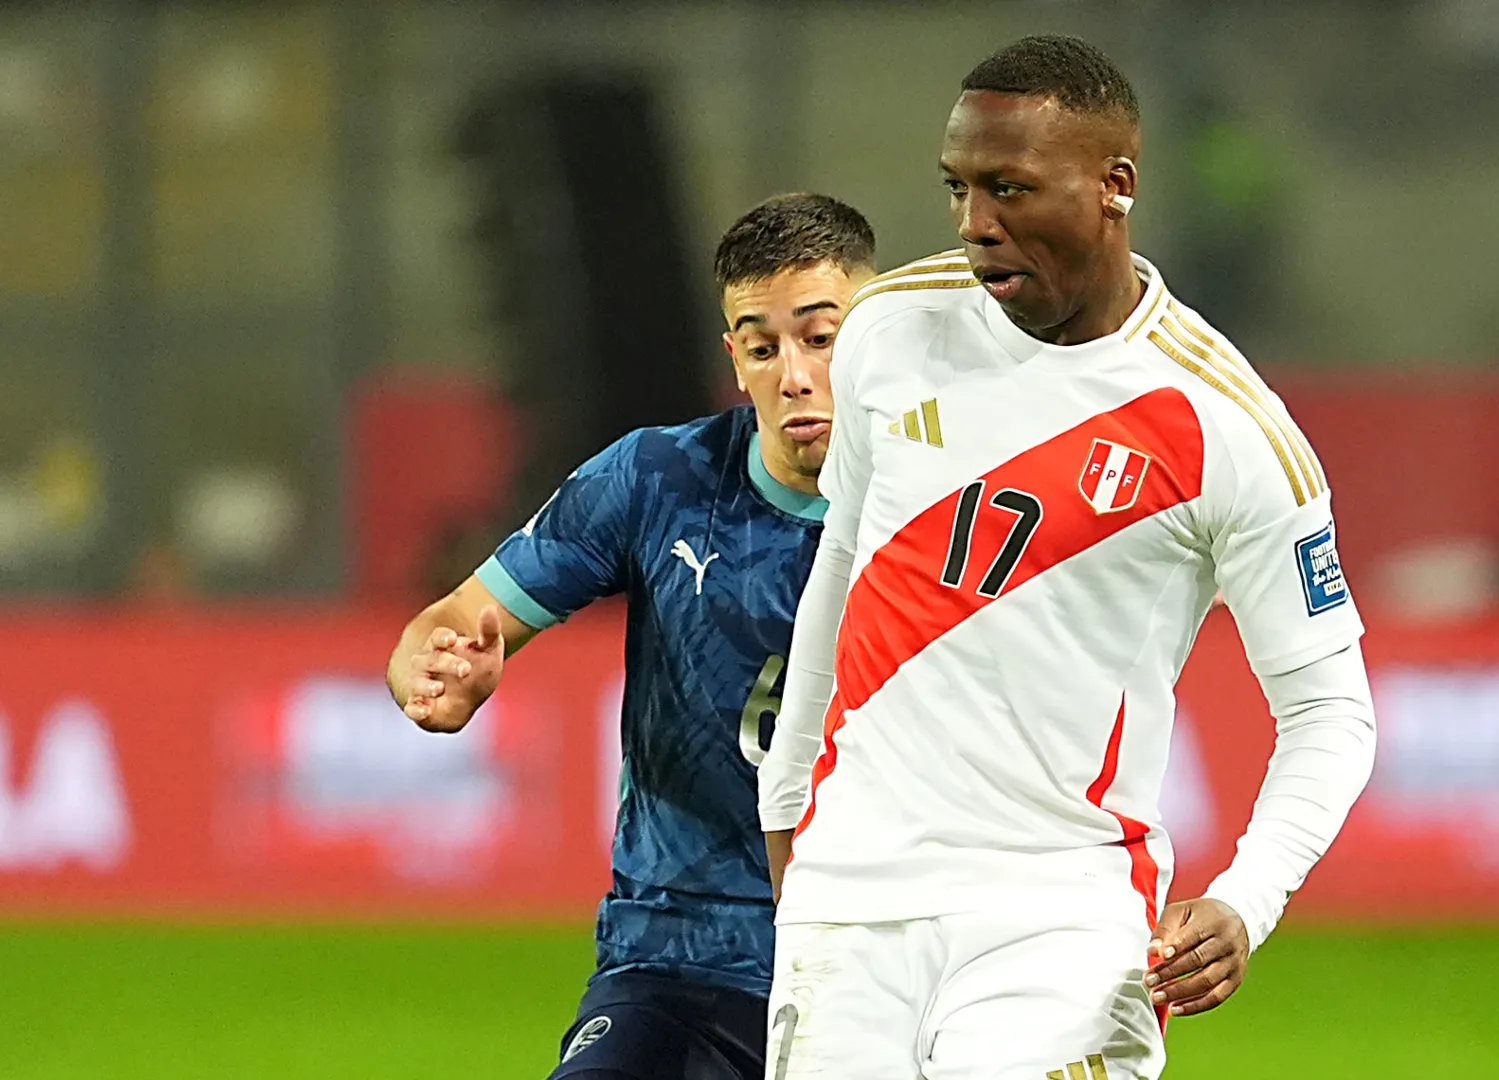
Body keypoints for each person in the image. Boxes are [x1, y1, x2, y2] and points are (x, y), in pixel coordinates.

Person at [757, 36, 1376, 1080]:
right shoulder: (887, 330)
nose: (974, 223)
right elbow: (845, 567)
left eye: (1009, 189)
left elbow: (1331, 712)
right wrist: (786, 801)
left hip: (1061, 917)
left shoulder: (1222, 424)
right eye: (957, 188)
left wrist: (1247, 897)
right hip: (849, 900)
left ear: (1114, 186)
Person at [385, 193, 875, 1080]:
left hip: (884, 963)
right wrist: (439, 663)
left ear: (878, 336)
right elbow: (456, 618)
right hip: (681, 961)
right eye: (763, 348)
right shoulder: (660, 479)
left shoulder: (953, 505)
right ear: (734, 358)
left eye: (821, 338)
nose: (794, 375)